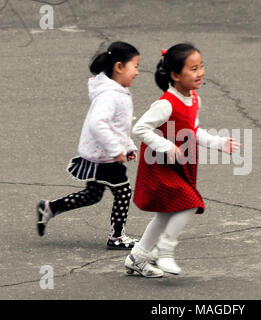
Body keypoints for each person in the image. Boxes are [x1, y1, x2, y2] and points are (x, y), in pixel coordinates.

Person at [124, 43, 240, 278]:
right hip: (158, 165)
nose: (200, 73)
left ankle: (137, 258)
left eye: (201, 67)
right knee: (190, 203)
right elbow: (140, 128)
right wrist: (166, 146)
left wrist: (218, 143)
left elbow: (193, 130)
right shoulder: (166, 104)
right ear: (176, 75)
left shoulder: (194, 99)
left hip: (179, 165)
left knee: (166, 214)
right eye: (193, 69)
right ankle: (164, 250)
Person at [36, 41, 141, 250]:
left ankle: (49, 208)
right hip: (105, 155)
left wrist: (128, 146)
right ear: (119, 67)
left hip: (101, 153)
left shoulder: (116, 92)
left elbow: (118, 126)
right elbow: (98, 123)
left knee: (92, 195)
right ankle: (117, 237)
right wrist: (115, 149)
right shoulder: (110, 95)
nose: (137, 72)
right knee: (124, 192)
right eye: (135, 66)